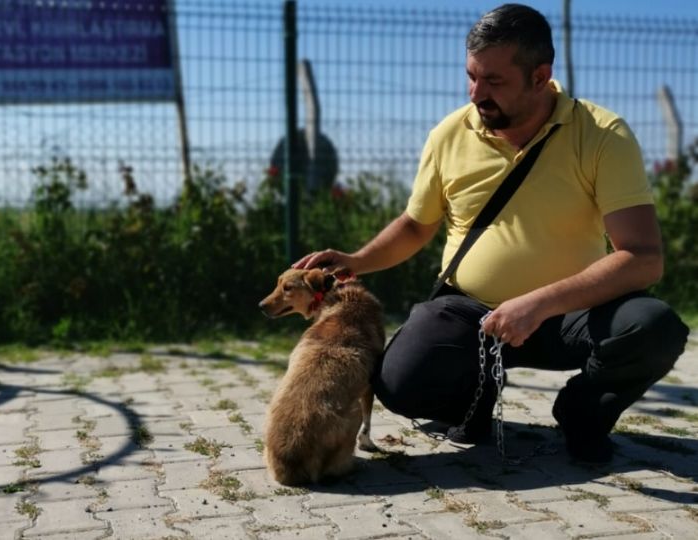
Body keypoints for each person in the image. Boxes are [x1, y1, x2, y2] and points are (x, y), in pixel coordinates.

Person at [293, 3, 690, 463]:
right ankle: (476, 402)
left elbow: (642, 257)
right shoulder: (448, 133)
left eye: (494, 81)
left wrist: (538, 302)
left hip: (569, 314)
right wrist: (356, 260)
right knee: (398, 383)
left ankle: (583, 414)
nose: (476, 93)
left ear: (540, 77)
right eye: (471, 76)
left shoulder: (602, 134)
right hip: (469, 311)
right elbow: (416, 224)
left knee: (653, 328)